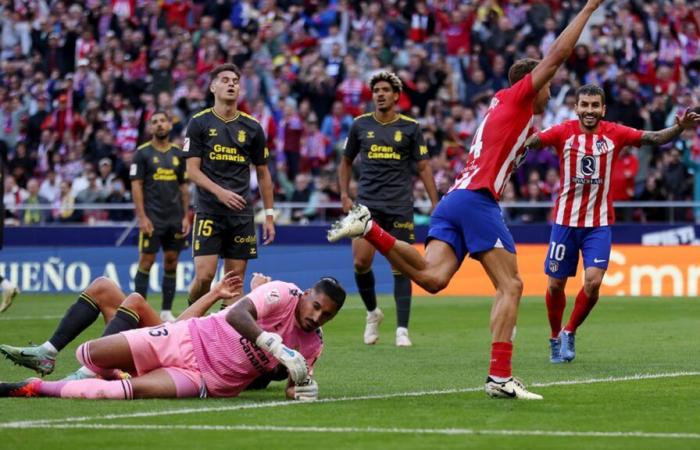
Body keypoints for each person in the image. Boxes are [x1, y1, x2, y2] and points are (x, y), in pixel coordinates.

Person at [328, 0, 607, 400]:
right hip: (477, 200)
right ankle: (500, 376)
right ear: (532, 82)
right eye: (546, 83)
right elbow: (558, 54)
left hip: (455, 199)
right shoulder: (519, 97)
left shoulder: (502, 106)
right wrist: (588, 9)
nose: (551, 89)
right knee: (511, 285)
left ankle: (369, 228)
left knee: (432, 278)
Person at [523, 84, 700, 363]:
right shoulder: (562, 132)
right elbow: (533, 142)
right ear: (577, 107)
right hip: (564, 223)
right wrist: (518, 137)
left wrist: (680, 128)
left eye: (595, 105)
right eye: (585, 105)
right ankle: (555, 336)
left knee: (592, 283)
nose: (590, 110)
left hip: (599, 223)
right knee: (555, 285)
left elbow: (653, 138)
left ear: (603, 109)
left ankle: (570, 331)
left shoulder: (615, 133)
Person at [0, 276, 345, 400]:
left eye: (326, 315)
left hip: (204, 379)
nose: (317, 317)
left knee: (128, 392)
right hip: (186, 337)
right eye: (316, 306)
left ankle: (34, 386)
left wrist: (303, 389)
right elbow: (238, 315)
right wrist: (272, 343)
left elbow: (292, 384)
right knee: (89, 353)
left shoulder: (313, 343)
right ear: (306, 294)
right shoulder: (282, 292)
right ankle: (88, 365)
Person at [338, 71, 438, 347]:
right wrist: (345, 194)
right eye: (376, 90)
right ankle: (372, 314)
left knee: (401, 267)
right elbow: (346, 162)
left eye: (385, 90)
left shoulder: (410, 127)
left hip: (399, 205)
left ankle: (402, 330)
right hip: (367, 205)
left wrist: (436, 203)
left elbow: (424, 167)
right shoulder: (360, 125)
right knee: (360, 262)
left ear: (396, 95)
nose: (380, 94)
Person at [0, 271, 250, 377]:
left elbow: (180, 332)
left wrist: (215, 294)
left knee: (136, 301)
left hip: (174, 356)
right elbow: (180, 329)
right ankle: (48, 352)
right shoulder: (249, 322)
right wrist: (216, 293)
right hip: (172, 341)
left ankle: (91, 371)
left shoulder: (249, 336)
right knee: (102, 286)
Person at [183, 63, 276, 308]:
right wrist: (219, 192)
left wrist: (268, 215)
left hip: (241, 214)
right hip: (209, 210)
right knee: (204, 277)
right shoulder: (199, 123)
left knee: (235, 286)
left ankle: (224, 341)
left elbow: (264, 174)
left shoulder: (252, 127)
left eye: (235, 80)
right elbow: (191, 170)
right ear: (213, 87)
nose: (231, 84)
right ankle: (190, 316)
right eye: (225, 80)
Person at [130, 111, 190, 322]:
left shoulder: (178, 153)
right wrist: (142, 217)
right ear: (150, 128)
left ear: (169, 125)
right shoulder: (142, 153)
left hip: (174, 219)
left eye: (163, 121)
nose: (159, 125)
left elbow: (184, 187)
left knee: (172, 262)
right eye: (155, 122)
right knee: (146, 261)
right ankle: (137, 311)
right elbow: (136, 186)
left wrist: (186, 216)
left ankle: (165, 311)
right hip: (152, 218)